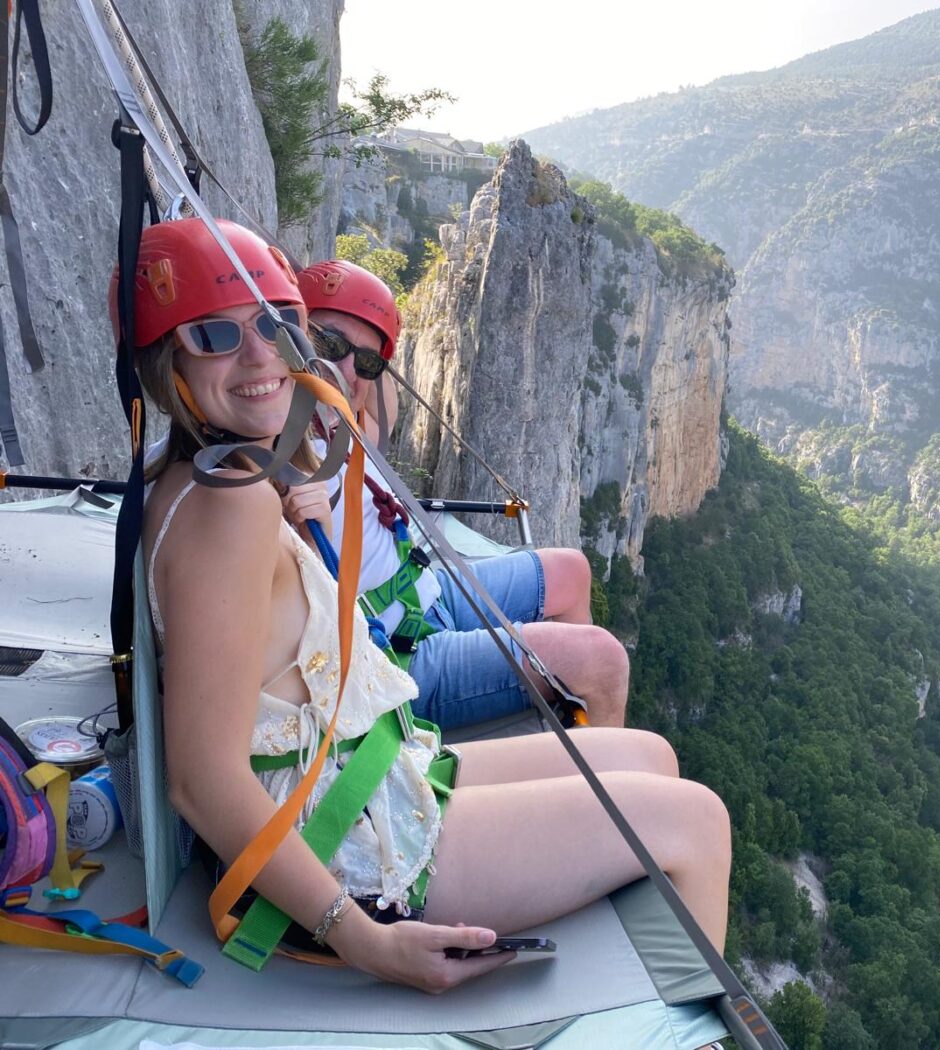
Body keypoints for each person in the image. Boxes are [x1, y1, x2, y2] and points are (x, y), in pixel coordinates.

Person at [125, 218, 730, 992]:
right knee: (698, 822)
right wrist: (365, 941)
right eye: (213, 334)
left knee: (651, 756)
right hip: (347, 838)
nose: (259, 357)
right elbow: (201, 780)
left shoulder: (208, 475)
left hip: (366, 777)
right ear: (164, 361)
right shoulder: (231, 507)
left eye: (275, 326)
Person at [283, 259, 629, 731]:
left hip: (432, 592)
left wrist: (368, 348)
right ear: (294, 337)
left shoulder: (345, 423)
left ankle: (566, 707)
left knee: (572, 569)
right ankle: (591, 739)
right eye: (330, 344)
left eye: (366, 362)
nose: (346, 369)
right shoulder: (282, 449)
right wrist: (307, 534)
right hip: (402, 657)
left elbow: (373, 387)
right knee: (603, 661)